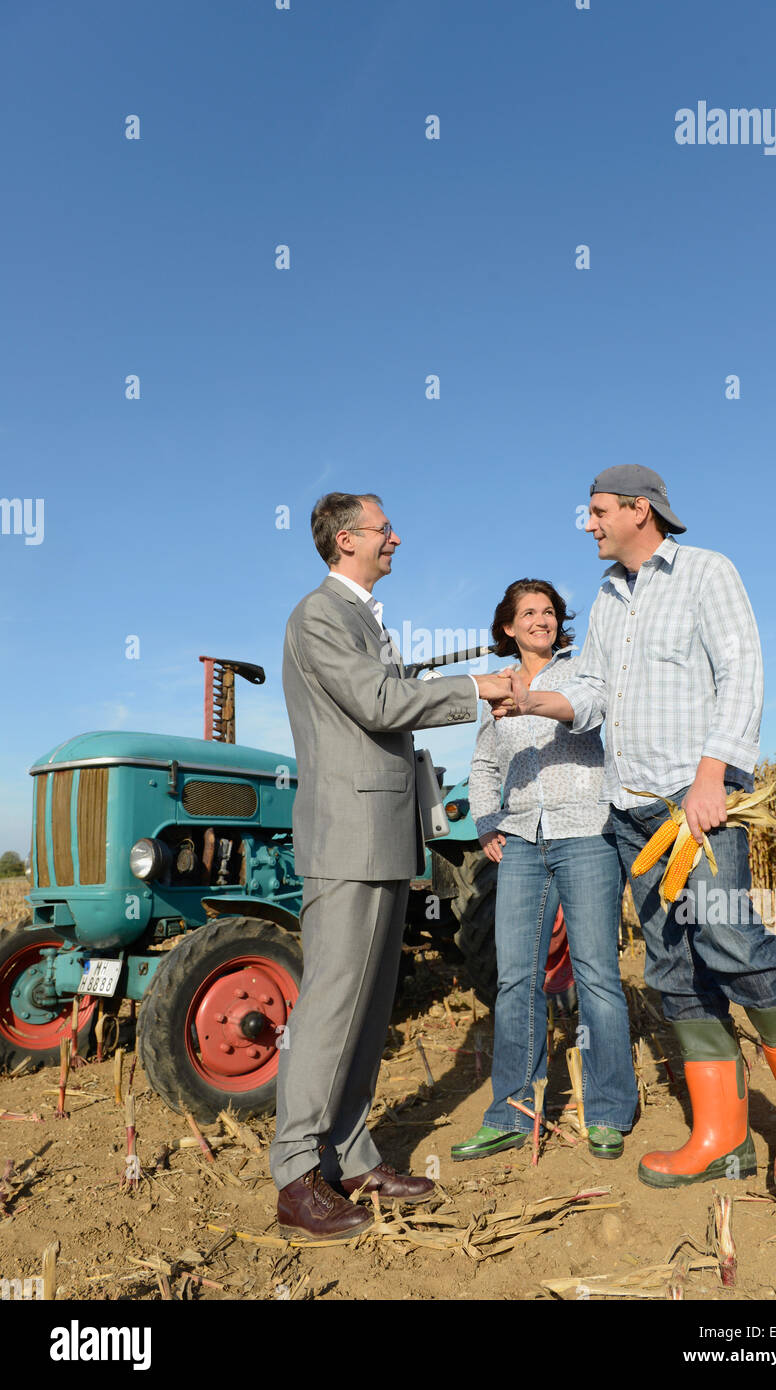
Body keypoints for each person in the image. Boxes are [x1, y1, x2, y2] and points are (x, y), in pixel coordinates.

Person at [498, 466, 776, 1201]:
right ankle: (721, 1135)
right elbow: (589, 692)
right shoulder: (608, 597)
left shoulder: (706, 573)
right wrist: (538, 698)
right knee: (671, 967)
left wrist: (714, 774)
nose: (587, 524)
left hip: (696, 797)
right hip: (632, 810)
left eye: (595, 512)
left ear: (636, 510)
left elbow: (742, 671)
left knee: (733, 942)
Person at [270, 491, 510, 1241]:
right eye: (385, 529)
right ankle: (297, 1173)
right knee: (332, 1005)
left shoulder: (362, 616)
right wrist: (476, 688)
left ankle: (349, 1154)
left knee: (368, 1009)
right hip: (347, 835)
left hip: (378, 834)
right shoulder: (320, 615)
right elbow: (378, 701)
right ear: (347, 540)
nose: (397, 538)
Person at [451, 580, 637, 1162]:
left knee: (596, 974)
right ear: (507, 626)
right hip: (524, 841)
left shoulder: (580, 670)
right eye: (528, 612)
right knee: (514, 979)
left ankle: (607, 1110)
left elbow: (585, 714)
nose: (541, 619)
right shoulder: (495, 688)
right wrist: (488, 824)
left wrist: (530, 701)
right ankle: (512, 1110)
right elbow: (484, 763)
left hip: (585, 832)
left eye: (549, 612)